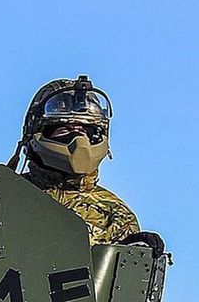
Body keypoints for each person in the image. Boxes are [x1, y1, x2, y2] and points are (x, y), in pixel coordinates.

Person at [12, 76, 139, 245]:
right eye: (65, 129)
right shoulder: (3, 195)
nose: (79, 139)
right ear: (39, 132)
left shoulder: (115, 214)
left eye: (85, 130)